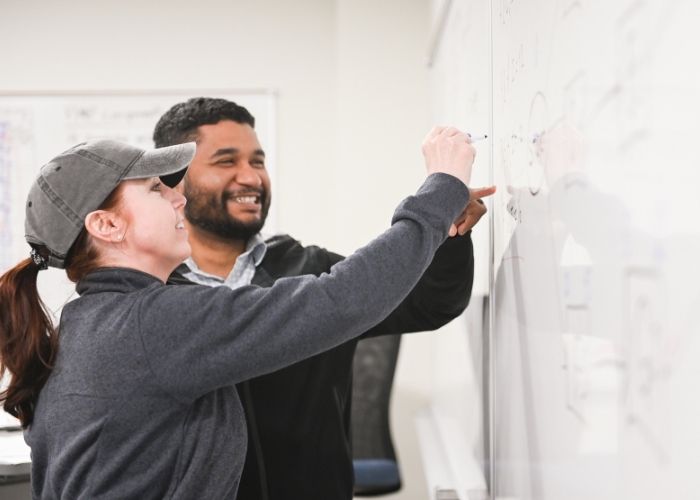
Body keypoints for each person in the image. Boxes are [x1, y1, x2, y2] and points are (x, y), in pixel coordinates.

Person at [0, 130, 487, 499]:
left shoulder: (92, 322)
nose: (179, 197)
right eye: (155, 189)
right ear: (106, 225)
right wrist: (440, 187)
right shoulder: (153, 322)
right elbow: (344, 298)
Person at [153, 97, 495, 500]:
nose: (250, 177)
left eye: (258, 162)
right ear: (173, 180)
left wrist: (452, 235)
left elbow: (431, 302)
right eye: (227, 161)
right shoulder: (150, 296)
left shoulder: (310, 268)